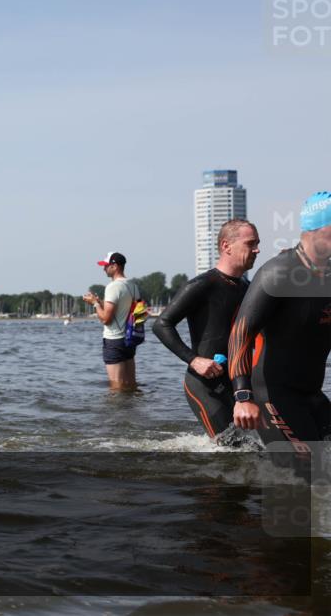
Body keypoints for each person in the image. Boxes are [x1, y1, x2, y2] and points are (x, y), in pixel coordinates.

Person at [228, 192, 331, 455]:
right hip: (274, 395)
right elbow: (240, 334)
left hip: (312, 392)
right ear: (316, 230)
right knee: (308, 475)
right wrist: (243, 396)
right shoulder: (279, 272)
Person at [153, 220, 259, 443]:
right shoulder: (203, 285)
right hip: (204, 384)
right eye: (251, 244)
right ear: (226, 246)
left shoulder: (247, 289)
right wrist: (194, 360)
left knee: (252, 447)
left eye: (257, 244)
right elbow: (162, 324)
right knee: (231, 450)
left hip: (235, 383)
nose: (257, 250)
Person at [82, 252, 141, 392]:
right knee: (131, 384)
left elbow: (106, 319)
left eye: (106, 266)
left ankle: (116, 413)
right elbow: (123, 308)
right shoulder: (133, 285)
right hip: (129, 338)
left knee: (116, 387)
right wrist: (98, 301)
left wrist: (95, 305)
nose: (104, 269)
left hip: (114, 340)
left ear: (114, 266)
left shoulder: (113, 287)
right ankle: (132, 411)